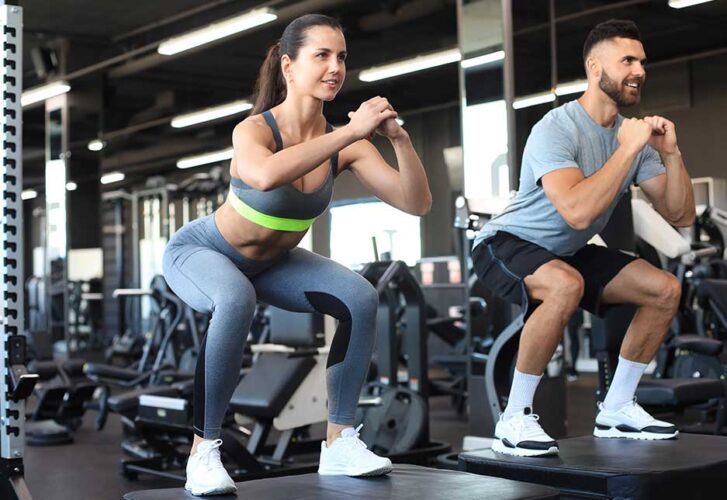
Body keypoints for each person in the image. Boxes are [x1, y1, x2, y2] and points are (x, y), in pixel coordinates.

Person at [162, 14, 432, 496]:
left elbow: (415, 203)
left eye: (342, 57)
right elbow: (264, 176)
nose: (335, 67)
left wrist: (399, 140)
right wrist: (351, 133)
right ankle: (203, 451)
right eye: (321, 56)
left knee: (360, 296)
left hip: (274, 264)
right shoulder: (254, 130)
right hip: (204, 252)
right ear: (289, 66)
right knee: (235, 297)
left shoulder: (341, 145)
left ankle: (340, 440)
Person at [471, 19, 694, 457]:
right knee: (564, 284)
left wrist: (671, 154)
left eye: (642, 61)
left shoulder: (633, 139)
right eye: (627, 60)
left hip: (568, 250)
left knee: (665, 289)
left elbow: (680, 213)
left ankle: (618, 407)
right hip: (506, 243)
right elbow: (576, 212)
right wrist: (628, 149)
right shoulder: (557, 128)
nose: (639, 70)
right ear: (595, 67)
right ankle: (513, 418)